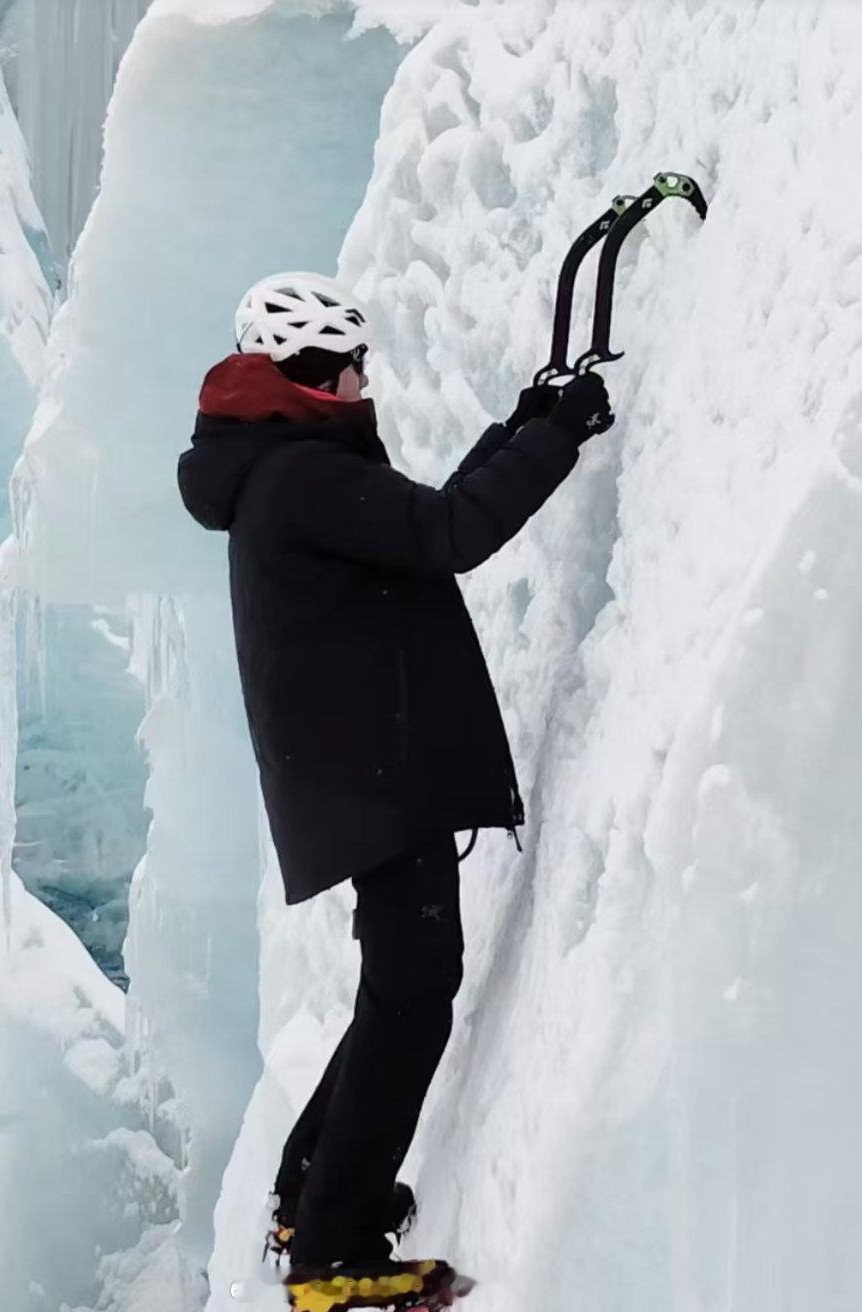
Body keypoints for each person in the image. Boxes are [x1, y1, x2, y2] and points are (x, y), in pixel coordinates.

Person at [177, 272, 614, 1310]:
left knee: (401, 988)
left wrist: (523, 425)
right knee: (415, 992)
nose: (365, 379)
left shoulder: (279, 473)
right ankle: (334, 1249)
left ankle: (307, 1196)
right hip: (375, 778)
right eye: (354, 364)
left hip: (357, 775)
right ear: (315, 373)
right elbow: (450, 535)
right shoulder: (297, 477)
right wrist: (564, 433)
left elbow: (417, 528)